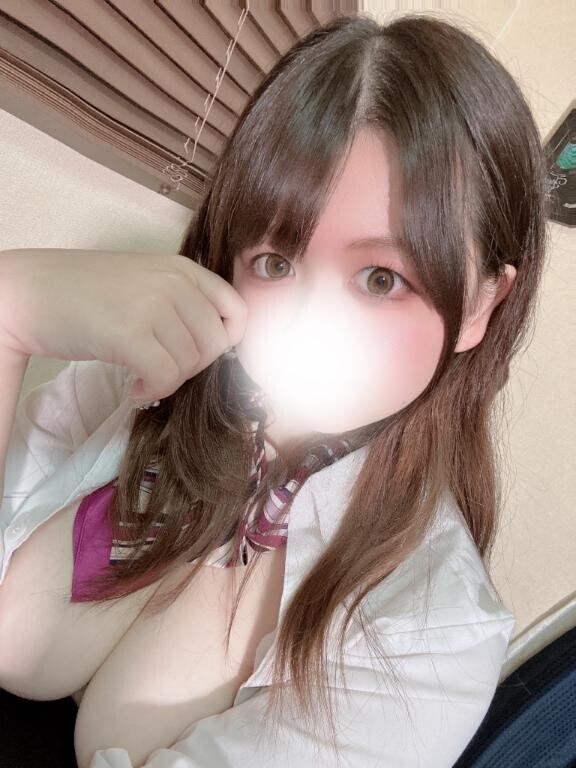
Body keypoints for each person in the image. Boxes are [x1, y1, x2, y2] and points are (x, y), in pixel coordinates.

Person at [0, 11, 548, 768]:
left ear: (482, 304)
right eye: (276, 262)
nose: (305, 320)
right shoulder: (150, 371)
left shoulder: (430, 629)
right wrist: (10, 311)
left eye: (380, 279)